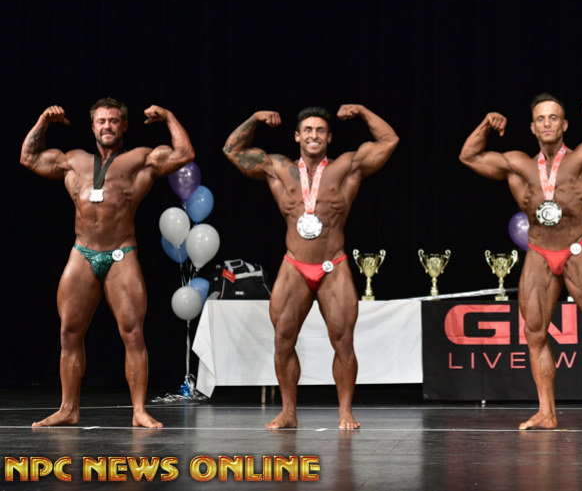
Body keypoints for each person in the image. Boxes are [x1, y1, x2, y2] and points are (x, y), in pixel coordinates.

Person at [460, 94, 582, 431]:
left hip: (577, 249)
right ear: (532, 128)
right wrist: (486, 124)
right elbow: (468, 156)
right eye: (541, 119)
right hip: (538, 253)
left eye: (553, 118)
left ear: (564, 125)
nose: (547, 123)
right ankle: (546, 412)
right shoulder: (519, 165)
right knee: (534, 333)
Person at [20, 99, 195, 428]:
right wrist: (43, 120)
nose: (107, 126)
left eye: (113, 121)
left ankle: (139, 411)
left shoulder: (139, 159)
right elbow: (28, 157)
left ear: (124, 125)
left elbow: (184, 154)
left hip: (121, 254)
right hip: (82, 252)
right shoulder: (73, 161)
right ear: (92, 127)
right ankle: (68, 409)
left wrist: (169, 116)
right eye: (101, 121)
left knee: (133, 333)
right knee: (69, 332)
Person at [223, 105, 398, 429]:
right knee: (282, 341)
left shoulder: (346, 166)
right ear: (297, 136)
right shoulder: (279, 168)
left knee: (343, 342)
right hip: (294, 265)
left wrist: (362, 112)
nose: (313, 135)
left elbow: (389, 141)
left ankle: (345, 412)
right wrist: (255, 118)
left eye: (320, 130)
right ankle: (288, 412)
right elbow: (232, 150)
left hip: (334, 265)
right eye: (307, 130)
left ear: (329, 137)